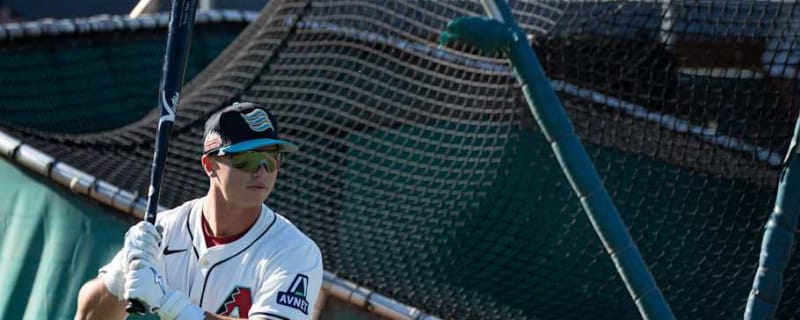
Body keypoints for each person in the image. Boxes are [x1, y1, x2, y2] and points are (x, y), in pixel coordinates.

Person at [75, 102, 323, 320]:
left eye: (270, 160)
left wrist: (169, 303)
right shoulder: (166, 229)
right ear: (210, 165)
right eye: (246, 159)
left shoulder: (295, 251)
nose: (261, 172)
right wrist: (122, 275)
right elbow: (88, 316)